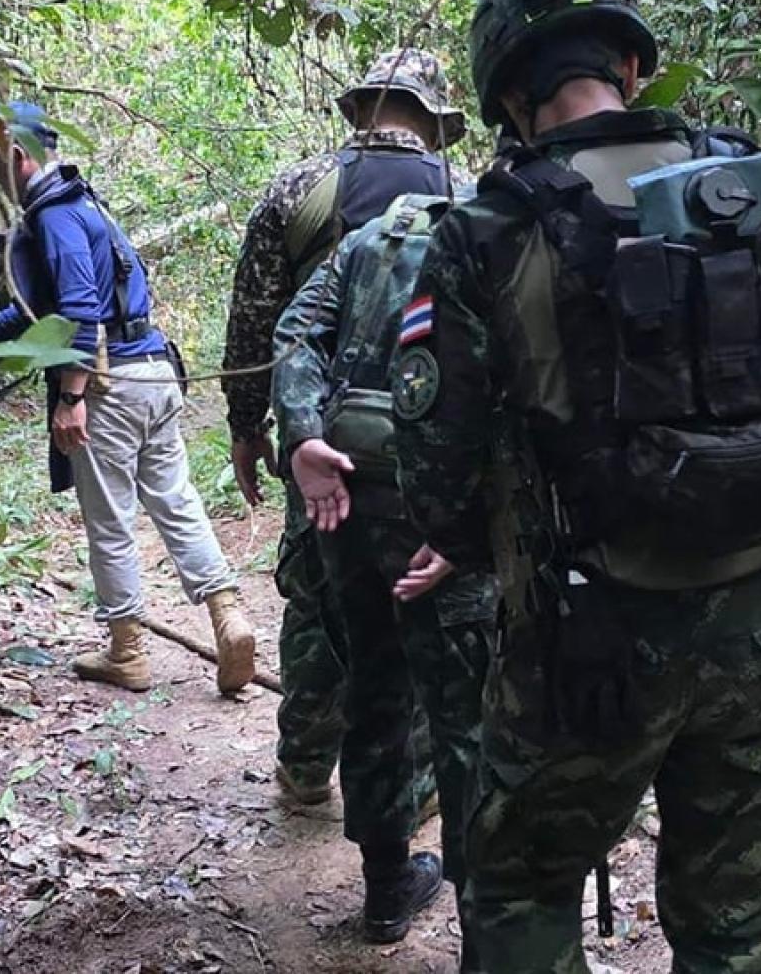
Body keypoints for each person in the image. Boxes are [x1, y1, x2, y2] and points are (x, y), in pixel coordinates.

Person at [393, 0, 761, 974]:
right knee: (731, 891)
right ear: (634, 67)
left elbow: (436, 471)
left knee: (520, 879)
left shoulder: (486, 231)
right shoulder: (751, 190)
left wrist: (494, 545)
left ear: (512, 96)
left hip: (584, 631)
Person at [0, 102, 256, 697]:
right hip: (154, 373)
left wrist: (71, 397)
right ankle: (229, 616)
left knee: (109, 520)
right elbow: (42, 305)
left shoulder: (53, 219)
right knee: (176, 500)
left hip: (109, 386)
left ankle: (127, 651)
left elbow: (77, 308)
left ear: (18, 156)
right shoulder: (82, 205)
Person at [221, 50, 467, 805]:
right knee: (424, 599)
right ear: (433, 122)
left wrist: (251, 426)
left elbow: (259, 319)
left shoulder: (301, 188)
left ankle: (303, 764)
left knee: (317, 594)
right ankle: (414, 786)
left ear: (360, 111)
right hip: (432, 441)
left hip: (321, 439)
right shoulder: (471, 194)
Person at [271, 192, 497, 959]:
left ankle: (385, 890)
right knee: (465, 716)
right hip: (433, 503)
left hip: (344, 491)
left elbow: (295, 336)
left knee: (373, 686)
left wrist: (301, 435)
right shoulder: (478, 238)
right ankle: (484, 930)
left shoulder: (363, 241)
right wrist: (474, 521)